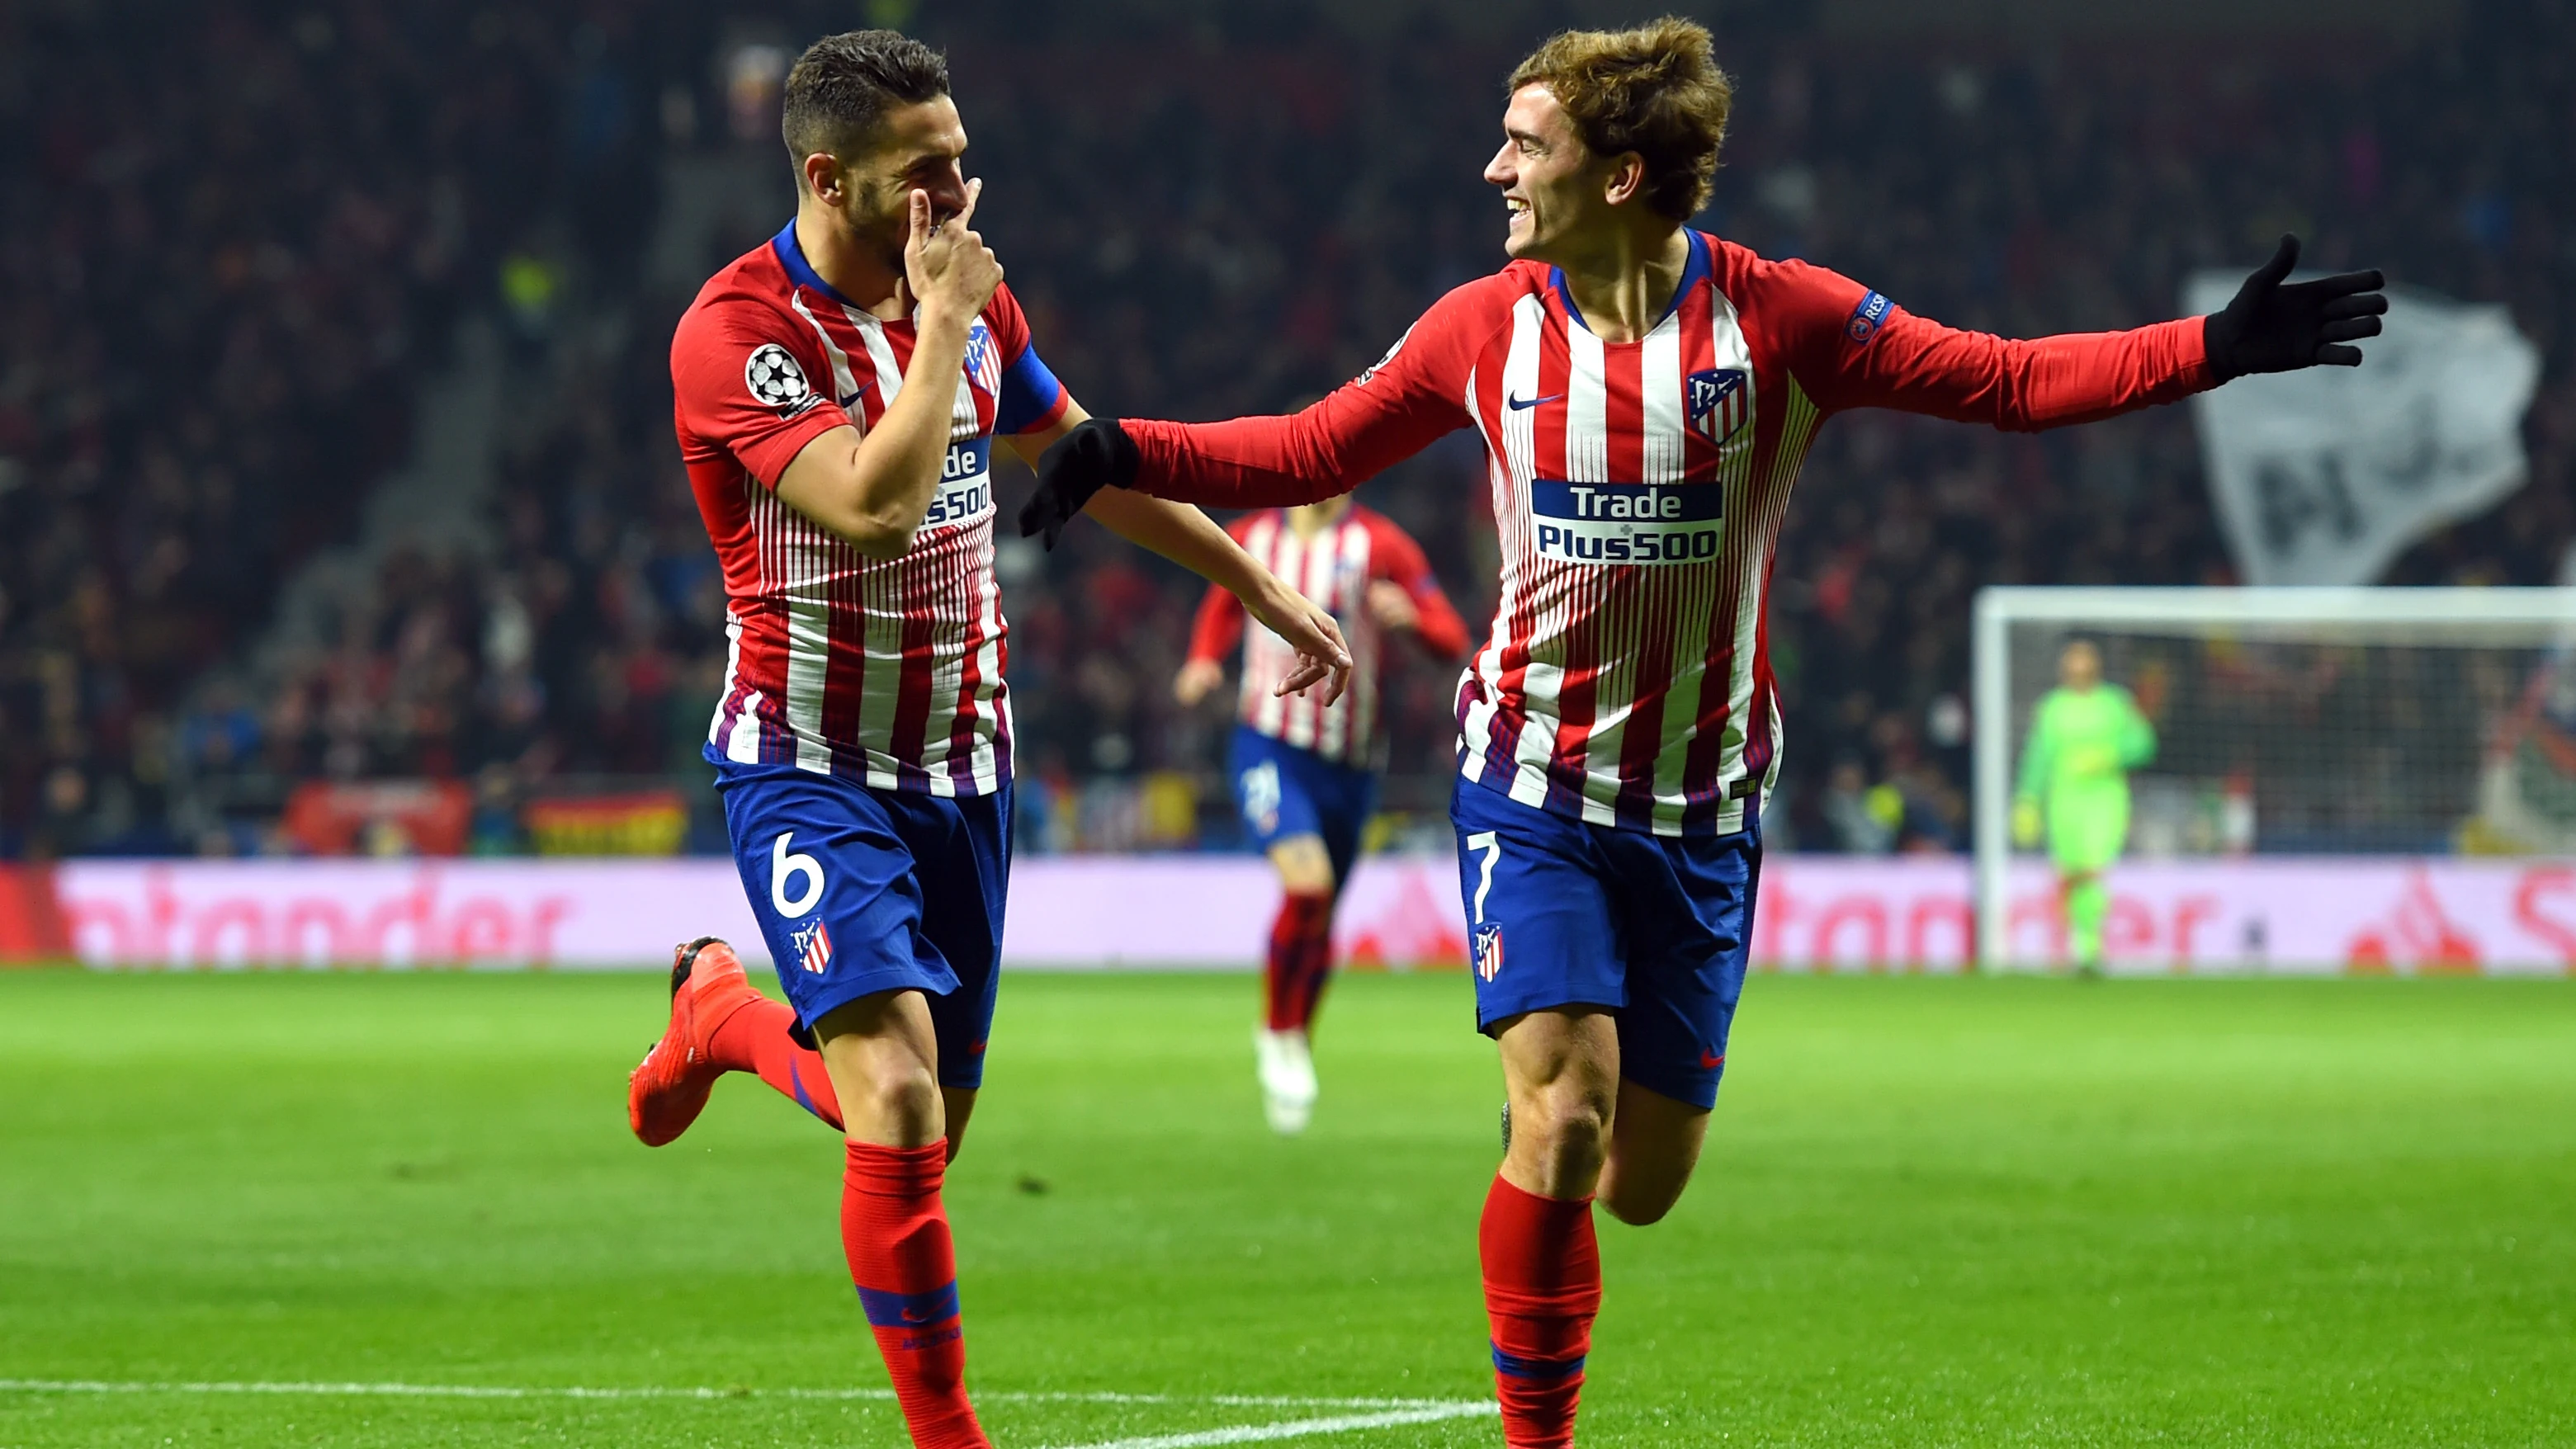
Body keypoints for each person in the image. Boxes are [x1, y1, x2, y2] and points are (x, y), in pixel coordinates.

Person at [1017, 20, 2384, 1447]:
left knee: (1641, 1179)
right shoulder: (1482, 328)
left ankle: (1551, 1134)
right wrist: (1123, 446)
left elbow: (2002, 382)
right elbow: (1311, 448)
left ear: (1617, 175)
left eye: (1524, 143)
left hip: (1703, 810)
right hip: (1531, 783)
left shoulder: (1783, 320)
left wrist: (2210, 351)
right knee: (1565, 1119)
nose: (1493, 166)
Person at [625, 31, 1350, 1449]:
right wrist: (946, 319)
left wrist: (1255, 583)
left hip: (966, 766)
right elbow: (875, 502)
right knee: (890, 1101)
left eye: (962, 159)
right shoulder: (738, 333)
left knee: (925, 1131)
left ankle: (720, 1016)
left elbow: (1080, 464)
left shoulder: (975, 308)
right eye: (924, 173)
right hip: (808, 760)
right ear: (830, 179)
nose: (959, 194)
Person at [1173, 495, 1470, 1132]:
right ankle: (1277, 1032)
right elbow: (1223, 604)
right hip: (1268, 743)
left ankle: (1295, 1036)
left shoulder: (1381, 545)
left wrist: (1411, 619)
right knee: (1305, 886)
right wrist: (1202, 660)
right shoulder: (1253, 535)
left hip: (1351, 759)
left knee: (1322, 908)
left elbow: (1449, 638)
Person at [2013, 639, 2156, 974]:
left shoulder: (2114, 703)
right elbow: (2039, 757)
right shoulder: (2053, 707)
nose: (2077, 672)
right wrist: (2027, 799)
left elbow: (2144, 743)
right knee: (2070, 872)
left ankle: (2090, 945)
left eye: (2083, 665)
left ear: (2095, 668)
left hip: (2105, 799)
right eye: (2071, 666)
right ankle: (2078, 940)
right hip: (2064, 800)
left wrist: (2110, 755)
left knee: (2093, 867)